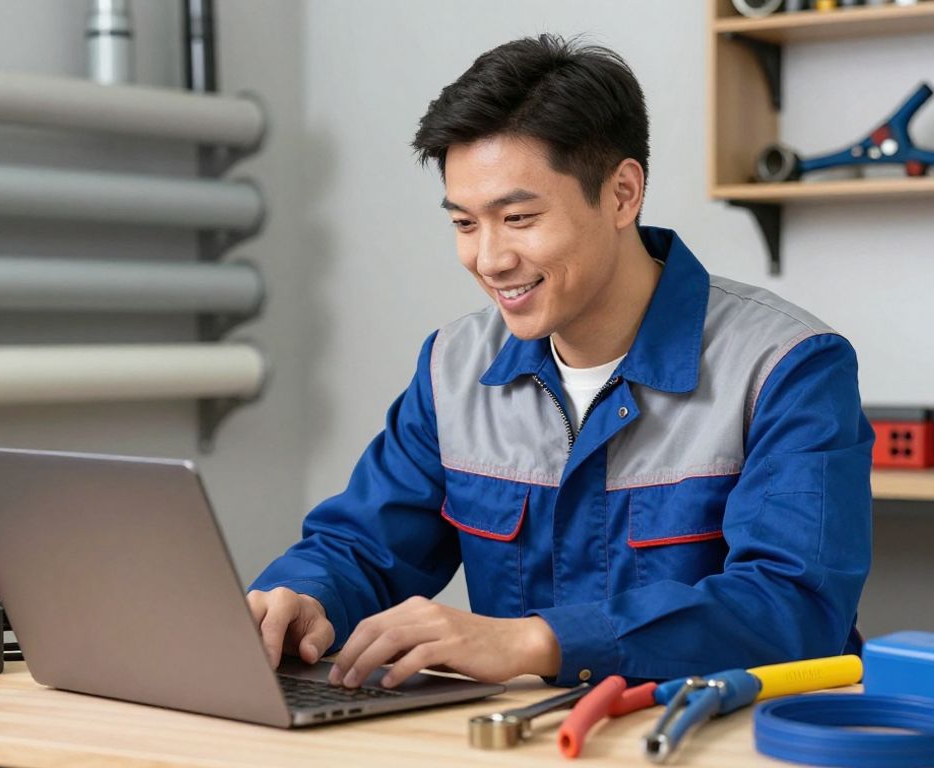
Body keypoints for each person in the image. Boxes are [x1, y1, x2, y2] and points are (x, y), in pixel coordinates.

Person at [247, 34, 872, 690]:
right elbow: (360, 549)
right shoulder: (452, 370)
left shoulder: (788, 368)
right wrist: (304, 599)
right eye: (464, 224)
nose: (488, 259)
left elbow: (793, 610)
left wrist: (536, 640)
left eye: (517, 217)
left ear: (623, 194)